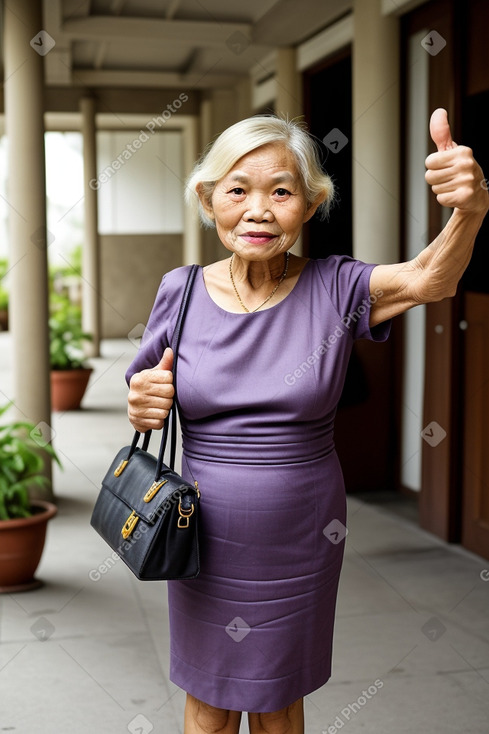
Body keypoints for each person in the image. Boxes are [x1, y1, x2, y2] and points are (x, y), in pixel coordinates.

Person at [125, 110, 488, 734]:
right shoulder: (178, 291)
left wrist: (471, 209)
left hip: (301, 536)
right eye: (237, 191)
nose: (259, 210)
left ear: (311, 203)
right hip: (201, 535)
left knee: (278, 700)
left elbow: (433, 279)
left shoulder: (337, 287)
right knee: (208, 702)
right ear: (211, 202)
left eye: (282, 191)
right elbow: (142, 387)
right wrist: (143, 399)